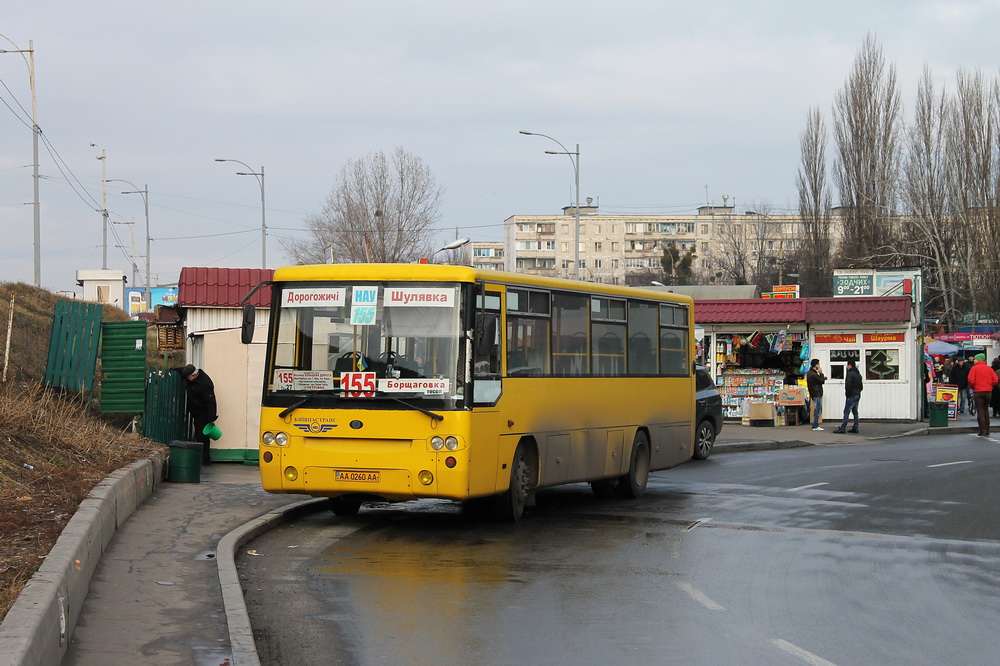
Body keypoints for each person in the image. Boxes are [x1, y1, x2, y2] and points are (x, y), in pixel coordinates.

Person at [175, 364, 218, 464]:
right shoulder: (192, 374)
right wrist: (171, 370)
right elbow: (182, 370)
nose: (187, 380)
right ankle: (203, 457)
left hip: (203, 412)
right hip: (196, 410)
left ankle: (205, 459)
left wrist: (211, 418)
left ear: (193, 375)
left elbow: (210, 401)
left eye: (188, 378)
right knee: (200, 434)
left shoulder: (205, 384)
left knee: (202, 435)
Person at [967, 353, 998, 436]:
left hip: (978, 392)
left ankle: (982, 430)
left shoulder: (974, 369)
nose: (974, 361)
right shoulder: (989, 369)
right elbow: (995, 380)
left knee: (980, 411)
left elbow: (970, 380)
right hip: (988, 392)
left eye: (975, 359)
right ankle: (987, 429)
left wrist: (973, 387)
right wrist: (990, 386)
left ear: (978, 360)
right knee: (986, 410)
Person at [833, 359, 863, 433]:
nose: (847, 367)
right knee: (855, 411)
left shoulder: (850, 374)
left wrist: (847, 395)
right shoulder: (858, 374)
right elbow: (861, 386)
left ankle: (843, 427)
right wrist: (858, 392)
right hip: (857, 394)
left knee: (846, 411)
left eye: (847, 365)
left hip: (851, 395)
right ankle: (856, 427)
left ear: (850, 365)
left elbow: (848, 385)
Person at [806, 358, 826, 431]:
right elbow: (821, 381)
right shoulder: (813, 374)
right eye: (819, 364)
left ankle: (815, 424)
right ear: (816, 365)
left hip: (815, 392)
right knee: (818, 409)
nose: (820, 366)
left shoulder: (811, 373)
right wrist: (821, 373)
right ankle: (815, 425)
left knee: (818, 409)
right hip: (816, 393)